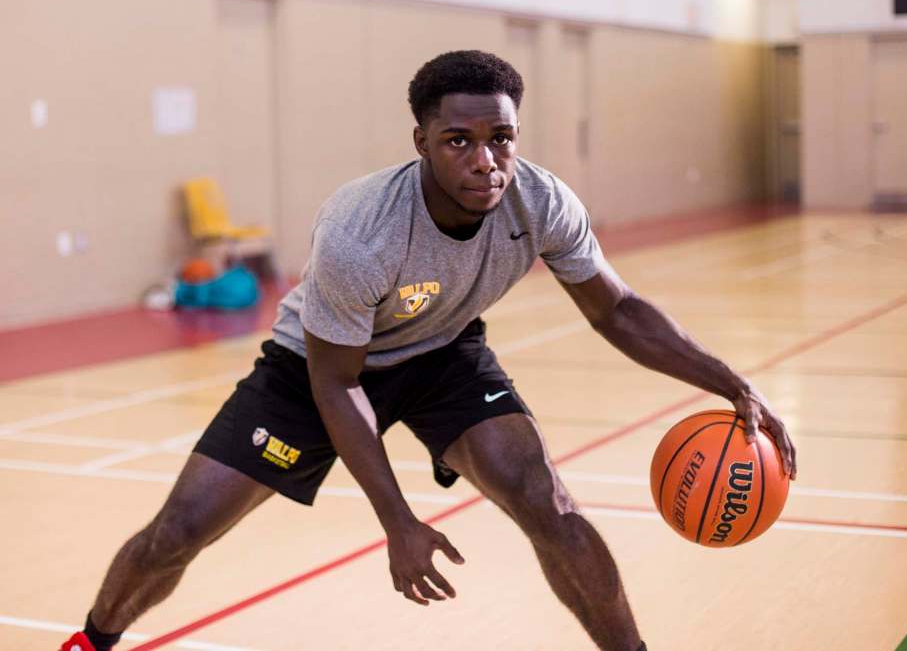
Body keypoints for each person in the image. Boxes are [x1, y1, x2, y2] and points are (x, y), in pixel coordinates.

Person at [61, 50, 796, 651]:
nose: (486, 161)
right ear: (421, 142)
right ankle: (92, 641)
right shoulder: (361, 231)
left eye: (501, 138)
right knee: (178, 532)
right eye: (459, 141)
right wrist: (398, 521)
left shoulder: (541, 201)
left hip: (443, 353)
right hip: (315, 370)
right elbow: (338, 383)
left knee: (547, 501)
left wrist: (732, 385)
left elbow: (620, 311)